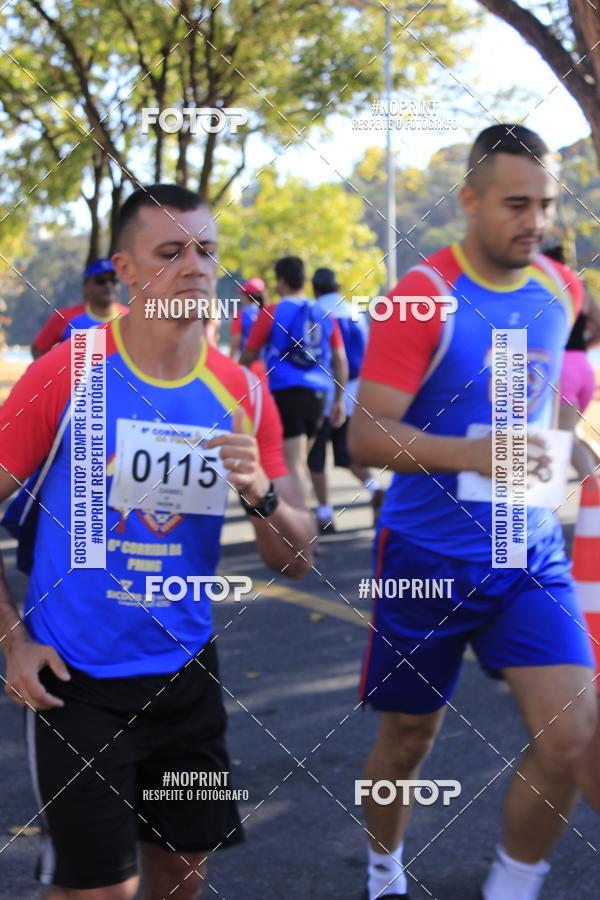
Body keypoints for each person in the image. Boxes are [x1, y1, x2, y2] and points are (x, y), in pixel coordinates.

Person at [0, 183, 316, 900]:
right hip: (75, 679)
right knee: (98, 891)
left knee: (180, 877)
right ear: (128, 269)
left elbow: (296, 559)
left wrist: (263, 497)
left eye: (206, 250)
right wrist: (14, 642)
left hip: (184, 677)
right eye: (170, 252)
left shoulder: (242, 390)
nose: (195, 267)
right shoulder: (69, 373)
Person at [348, 125, 597, 900]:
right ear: (469, 200)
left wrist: (570, 450)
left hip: (528, 555)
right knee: (408, 737)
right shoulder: (421, 296)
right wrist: (472, 454)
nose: (535, 221)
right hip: (426, 557)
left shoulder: (562, 289)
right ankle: (384, 868)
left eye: (547, 205)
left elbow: (543, 401)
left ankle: (512, 886)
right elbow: (365, 433)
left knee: (572, 742)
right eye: (516, 204)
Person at [240, 256, 348, 503]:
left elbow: (248, 354)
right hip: (320, 395)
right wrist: (339, 400)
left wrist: (236, 383)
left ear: (281, 281)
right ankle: (310, 512)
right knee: (301, 461)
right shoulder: (324, 312)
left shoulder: (272, 312)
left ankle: (301, 526)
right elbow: (340, 360)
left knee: (293, 463)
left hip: (288, 393)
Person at [306, 267, 384, 533]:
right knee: (346, 453)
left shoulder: (314, 311)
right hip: (354, 390)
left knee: (315, 455)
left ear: (315, 288)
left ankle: (325, 513)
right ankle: (375, 491)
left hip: (324, 391)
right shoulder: (353, 311)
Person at [543, 245, 600, 480]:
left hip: (562, 369)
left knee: (563, 437)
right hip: (583, 366)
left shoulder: (542, 291)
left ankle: (593, 490)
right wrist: (586, 346)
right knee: (569, 434)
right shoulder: (579, 289)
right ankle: (594, 473)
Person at [31, 258, 127, 358]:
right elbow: (39, 349)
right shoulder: (65, 317)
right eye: (100, 281)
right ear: (86, 286)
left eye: (114, 280)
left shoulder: (131, 318)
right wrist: (56, 372)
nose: (108, 285)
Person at [230, 277, 268, 379]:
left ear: (247, 296)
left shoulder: (240, 315)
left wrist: (230, 364)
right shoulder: (267, 314)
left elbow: (235, 342)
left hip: (247, 366)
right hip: (265, 367)